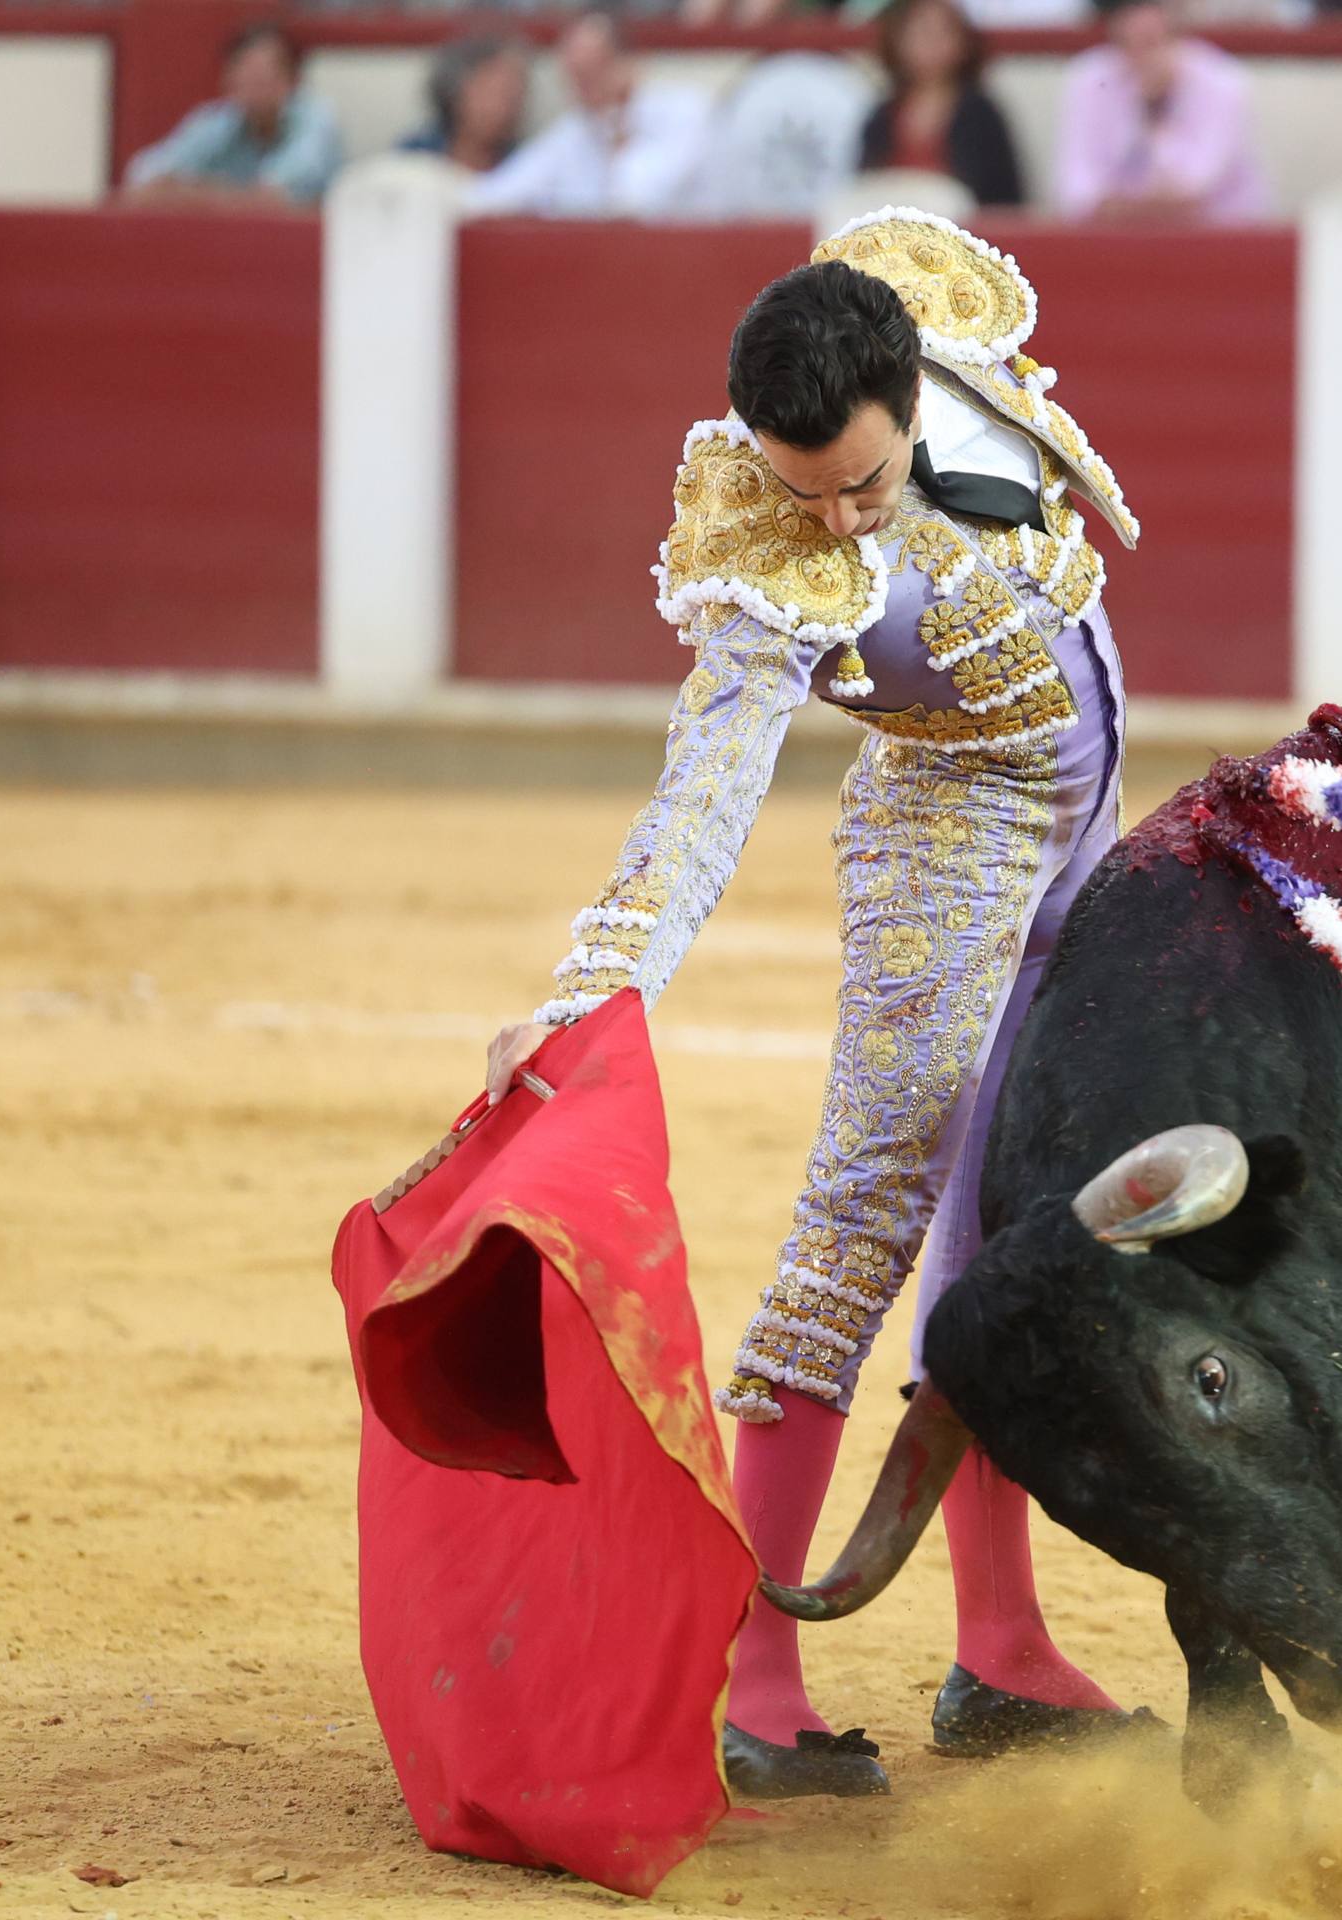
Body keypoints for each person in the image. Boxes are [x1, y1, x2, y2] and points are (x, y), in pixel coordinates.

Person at [481, 210, 1146, 1800]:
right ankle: (752, 1676)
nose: (837, 519)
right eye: (806, 493)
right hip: (946, 848)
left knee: (1004, 1234)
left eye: (862, 482)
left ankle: (1002, 1648)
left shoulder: (919, 315)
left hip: (1086, 840)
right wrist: (593, 991)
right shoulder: (760, 556)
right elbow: (704, 789)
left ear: (912, 394)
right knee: (859, 1229)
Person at [467, 7, 710, 219]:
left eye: (593, 71)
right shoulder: (575, 129)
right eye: (576, 77)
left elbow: (635, 204)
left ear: (628, 62)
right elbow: (493, 196)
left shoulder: (685, 113)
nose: (584, 91)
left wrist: (620, 127)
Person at [1052, 0, 1269, 225]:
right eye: (1128, 43)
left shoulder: (1222, 82)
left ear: (1179, 38)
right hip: (1113, 232)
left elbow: (1194, 187)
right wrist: (1118, 205)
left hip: (1217, 233)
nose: (1141, 56)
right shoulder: (1089, 78)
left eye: (1151, 41)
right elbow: (1074, 186)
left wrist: (1155, 107)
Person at [122, 21, 343, 208]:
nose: (254, 86)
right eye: (245, 74)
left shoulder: (315, 119)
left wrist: (189, 192)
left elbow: (272, 197)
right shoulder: (218, 121)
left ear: (291, 81)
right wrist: (226, 195)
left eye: (264, 76)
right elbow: (141, 179)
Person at [858, 0, 1025, 209]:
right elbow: (865, 183)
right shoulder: (882, 114)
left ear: (963, 43)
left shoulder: (980, 114)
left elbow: (1002, 195)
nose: (931, 44)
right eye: (921, 33)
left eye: (942, 32)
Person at [399, 35, 530, 176]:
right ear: (455, 93)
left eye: (515, 93)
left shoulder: (526, 164)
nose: (506, 106)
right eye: (493, 91)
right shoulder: (412, 157)